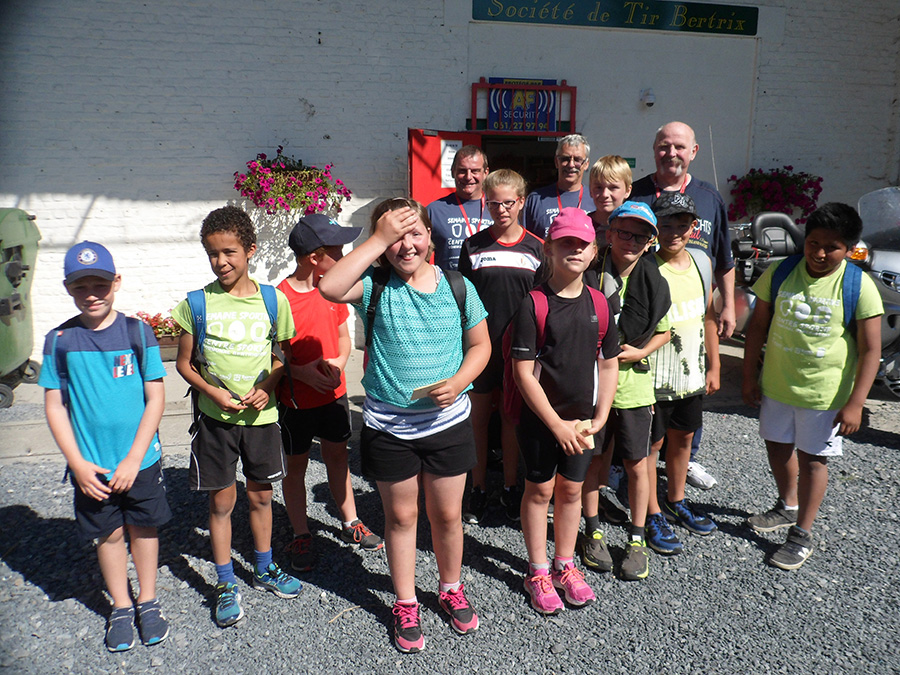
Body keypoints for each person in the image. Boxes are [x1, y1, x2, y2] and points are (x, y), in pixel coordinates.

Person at [318, 197, 491, 653]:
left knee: (448, 515)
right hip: (389, 427)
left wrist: (459, 381)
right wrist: (377, 238)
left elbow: (481, 346)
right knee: (400, 517)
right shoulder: (374, 286)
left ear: (431, 236)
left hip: (448, 423)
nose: (406, 244)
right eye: (395, 236)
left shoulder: (458, 286)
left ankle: (450, 588)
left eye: (414, 232)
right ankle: (406, 601)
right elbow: (330, 287)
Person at [172, 206, 302, 628]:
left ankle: (264, 567)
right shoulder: (196, 304)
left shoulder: (273, 300)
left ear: (250, 250)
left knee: (261, 496)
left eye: (229, 252)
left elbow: (282, 357)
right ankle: (225, 581)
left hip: (261, 421)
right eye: (212, 253)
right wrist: (212, 392)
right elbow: (184, 363)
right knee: (221, 502)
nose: (221, 261)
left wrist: (269, 386)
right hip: (215, 422)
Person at [40, 241, 171, 652]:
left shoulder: (137, 332)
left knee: (143, 528)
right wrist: (77, 463)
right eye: (81, 287)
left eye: (100, 284)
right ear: (68, 288)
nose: (91, 294)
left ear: (116, 282)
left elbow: (156, 397)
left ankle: (147, 599)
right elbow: (55, 406)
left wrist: (134, 457)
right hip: (93, 468)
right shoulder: (60, 340)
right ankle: (121, 604)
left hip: (140, 461)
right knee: (109, 535)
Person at [742, 202, 882, 570]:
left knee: (813, 459)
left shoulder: (858, 286)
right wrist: (749, 376)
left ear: (849, 248)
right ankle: (787, 505)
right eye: (813, 243)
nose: (819, 254)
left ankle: (802, 533)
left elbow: (871, 349)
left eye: (831, 247)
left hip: (824, 395)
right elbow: (757, 327)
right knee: (777, 446)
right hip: (777, 386)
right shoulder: (782, 272)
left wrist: (855, 403)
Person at [510, 208, 619, 614]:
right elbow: (523, 373)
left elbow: (609, 364)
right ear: (549, 250)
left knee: (572, 490)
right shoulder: (533, 304)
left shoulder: (600, 303)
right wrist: (555, 424)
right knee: (540, 491)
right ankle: (538, 570)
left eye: (582, 243)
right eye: (565, 243)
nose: (575, 250)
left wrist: (601, 416)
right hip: (541, 421)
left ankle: (565, 564)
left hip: (583, 421)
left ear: (594, 251)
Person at [631, 121, 734, 490]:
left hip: (694, 312)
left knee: (689, 398)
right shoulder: (637, 193)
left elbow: (724, 257)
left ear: (693, 151)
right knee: (648, 415)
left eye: (678, 146)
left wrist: (728, 306)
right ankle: (630, 465)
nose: (671, 153)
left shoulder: (709, 197)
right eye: (664, 145)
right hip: (649, 320)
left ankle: (686, 462)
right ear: (654, 148)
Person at [276, 213, 382, 574]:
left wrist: (336, 363)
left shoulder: (334, 290)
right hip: (295, 402)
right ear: (314, 257)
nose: (343, 255)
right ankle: (301, 532)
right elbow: (274, 353)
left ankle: (350, 520)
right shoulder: (280, 298)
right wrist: (301, 373)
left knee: (338, 458)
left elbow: (342, 338)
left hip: (333, 396)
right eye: (337, 250)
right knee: (296, 467)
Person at [581, 202, 671, 581]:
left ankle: (637, 538)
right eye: (623, 233)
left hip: (634, 385)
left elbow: (665, 330)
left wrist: (641, 351)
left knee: (637, 463)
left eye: (640, 236)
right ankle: (592, 530)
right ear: (609, 232)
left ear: (650, 241)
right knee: (593, 459)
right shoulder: (589, 270)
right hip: (592, 382)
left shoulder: (654, 280)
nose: (630, 242)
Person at [458, 169, 544, 524]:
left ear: (521, 202)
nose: (501, 210)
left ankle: (510, 486)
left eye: (508, 203)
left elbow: (543, 303)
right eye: (494, 203)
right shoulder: (473, 246)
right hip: (480, 348)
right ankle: (478, 487)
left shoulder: (537, 247)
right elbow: (462, 300)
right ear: (486, 202)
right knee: (477, 419)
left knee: (511, 418)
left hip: (518, 350)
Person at [645, 193, 721, 555]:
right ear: (655, 228)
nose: (673, 232)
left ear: (694, 228)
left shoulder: (701, 263)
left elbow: (708, 316)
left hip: (690, 375)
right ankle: (651, 512)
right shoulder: (646, 266)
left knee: (684, 440)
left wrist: (714, 364)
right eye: (665, 225)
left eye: (681, 225)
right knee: (650, 447)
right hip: (654, 377)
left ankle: (676, 500)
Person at [427, 145, 493, 270]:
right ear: (453, 172)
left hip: (488, 282)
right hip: (449, 282)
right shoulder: (434, 211)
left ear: (485, 173)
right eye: (462, 171)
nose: (468, 177)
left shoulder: (498, 208)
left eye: (475, 171)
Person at [523, 134, 590, 239]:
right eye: (565, 159)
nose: (571, 164)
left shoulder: (595, 199)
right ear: (556, 162)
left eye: (577, 159)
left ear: (586, 164)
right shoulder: (536, 199)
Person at [587, 155, 633, 240]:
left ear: (627, 191)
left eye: (613, 188)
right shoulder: (581, 225)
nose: (605, 194)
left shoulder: (634, 228)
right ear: (590, 190)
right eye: (599, 187)